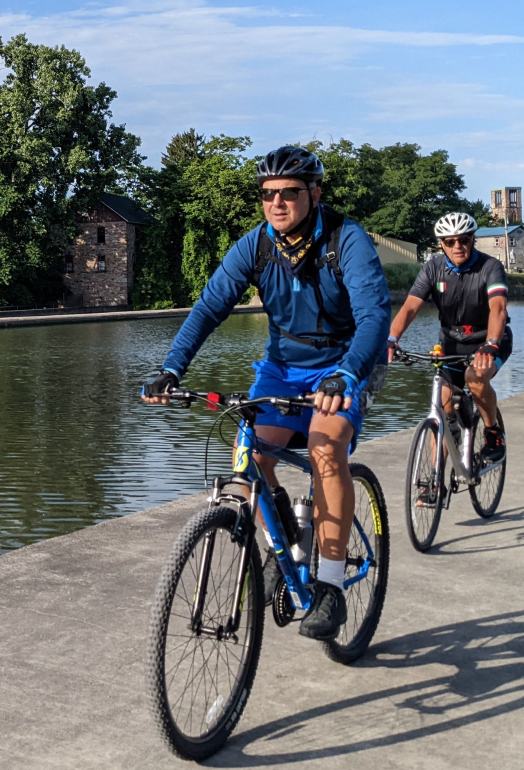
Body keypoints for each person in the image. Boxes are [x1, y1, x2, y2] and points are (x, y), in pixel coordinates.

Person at [141, 145, 391, 641]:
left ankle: (331, 585)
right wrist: (171, 369)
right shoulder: (255, 246)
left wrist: (347, 376)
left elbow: (374, 318)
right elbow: (209, 308)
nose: (277, 203)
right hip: (280, 369)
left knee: (324, 447)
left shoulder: (348, 240)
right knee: (248, 453)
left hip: (344, 365)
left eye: (289, 193)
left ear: (314, 194)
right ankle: (285, 546)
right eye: (267, 194)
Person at [386, 212, 511, 487]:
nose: (457, 246)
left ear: (472, 240)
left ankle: (492, 431)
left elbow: (498, 308)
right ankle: (433, 482)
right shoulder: (432, 269)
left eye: (463, 240)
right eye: (450, 241)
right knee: (441, 407)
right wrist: (391, 339)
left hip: (490, 341)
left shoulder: (490, 267)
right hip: (451, 346)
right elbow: (409, 308)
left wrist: (491, 345)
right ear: (441, 244)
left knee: (475, 379)